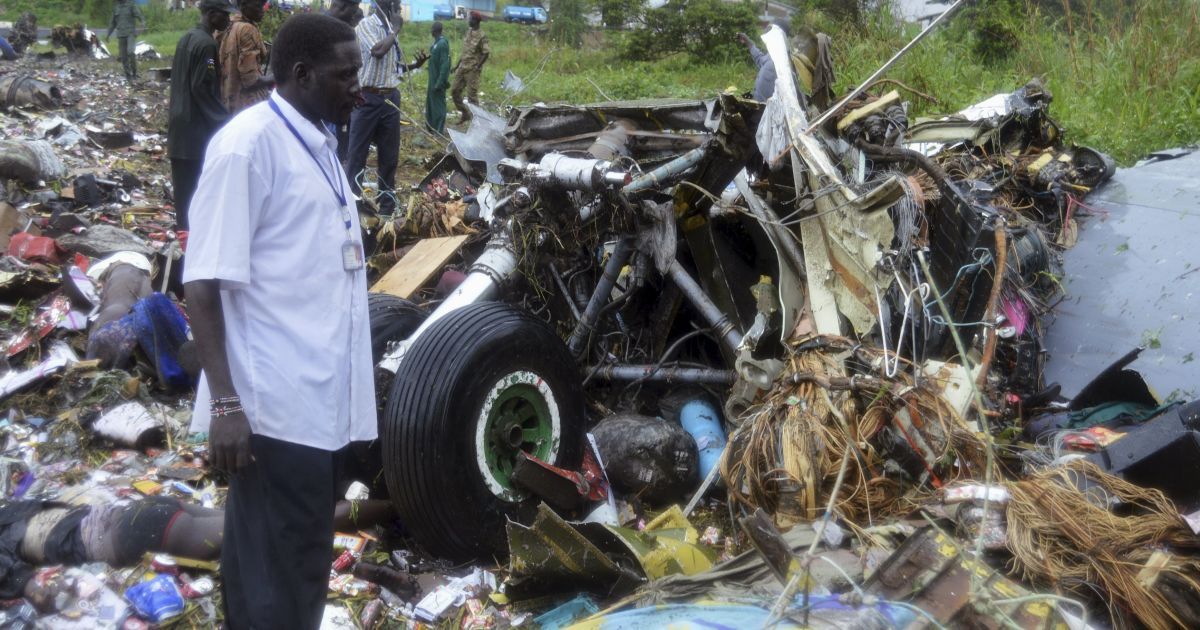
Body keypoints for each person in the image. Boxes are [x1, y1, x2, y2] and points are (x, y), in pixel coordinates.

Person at [183, 12, 373, 629]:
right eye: (346, 76)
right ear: (301, 73)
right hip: (271, 409)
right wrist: (225, 407)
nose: (358, 89)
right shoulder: (247, 146)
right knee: (277, 569)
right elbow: (202, 282)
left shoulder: (317, 139)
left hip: (317, 401)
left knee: (295, 561)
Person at [347, 0, 427, 214]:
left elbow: (392, 67)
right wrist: (396, 28)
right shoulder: (366, 25)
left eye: (398, 4)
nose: (398, 7)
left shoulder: (390, 31)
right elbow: (377, 51)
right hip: (367, 98)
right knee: (357, 155)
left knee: (389, 156)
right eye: (395, 4)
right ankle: (352, 206)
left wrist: (414, 66)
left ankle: (387, 207)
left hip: (390, 98)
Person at [167, 0, 234, 231]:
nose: (228, 20)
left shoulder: (187, 38)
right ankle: (190, 242)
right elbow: (201, 87)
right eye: (225, 15)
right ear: (212, 14)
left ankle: (184, 237)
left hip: (179, 126)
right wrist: (225, 121)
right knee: (196, 193)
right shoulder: (206, 44)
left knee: (183, 192)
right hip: (194, 131)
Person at [218, 0, 274, 113]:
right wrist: (274, 78)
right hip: (246, 105)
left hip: (226, 101)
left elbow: (210, 62)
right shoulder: (248, 30)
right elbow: (251, 80)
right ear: (244, 5)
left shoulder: (226, 25)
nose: (263, 10)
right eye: (259, 5)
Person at [450, 11, 490, 124]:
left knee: (472, 97)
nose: (469, 21)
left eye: (470, 19)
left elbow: (486, 53)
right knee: (454, 91)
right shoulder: (468, 32)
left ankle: (478, 122)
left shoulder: (482, 35)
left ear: (476, 21)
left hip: (472, 70)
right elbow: (465, 51)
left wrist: (477, 66)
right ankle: (465, 113)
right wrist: (456, 66)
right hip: (462, 67)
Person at [106, 0, 147, 82]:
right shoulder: (116, 8)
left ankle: (134, 73)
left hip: (130, 34)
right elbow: (113, 23)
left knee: (131, 52)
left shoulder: (131, 5)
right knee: (123, 57)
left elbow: (139, 15)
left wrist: (142, 22)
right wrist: (108, 35)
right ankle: (129, 77)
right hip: (121, 35)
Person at [737, 29, 777, 102]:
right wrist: (748, 42)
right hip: (756, 103)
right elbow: (760, 59)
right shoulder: (771, 56)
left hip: (767, 109)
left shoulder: (784, 63)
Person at [425, 21, 450, 134]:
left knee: (438, 106)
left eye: (431, 29)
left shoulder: (442, 44)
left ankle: (439, 129)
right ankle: (431, 127)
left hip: (437, 82)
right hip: (432, 80)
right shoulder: (435, 44)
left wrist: (440, 82)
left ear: (434, 30)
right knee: (431, 104)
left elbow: (445, 65)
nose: (430, 31)